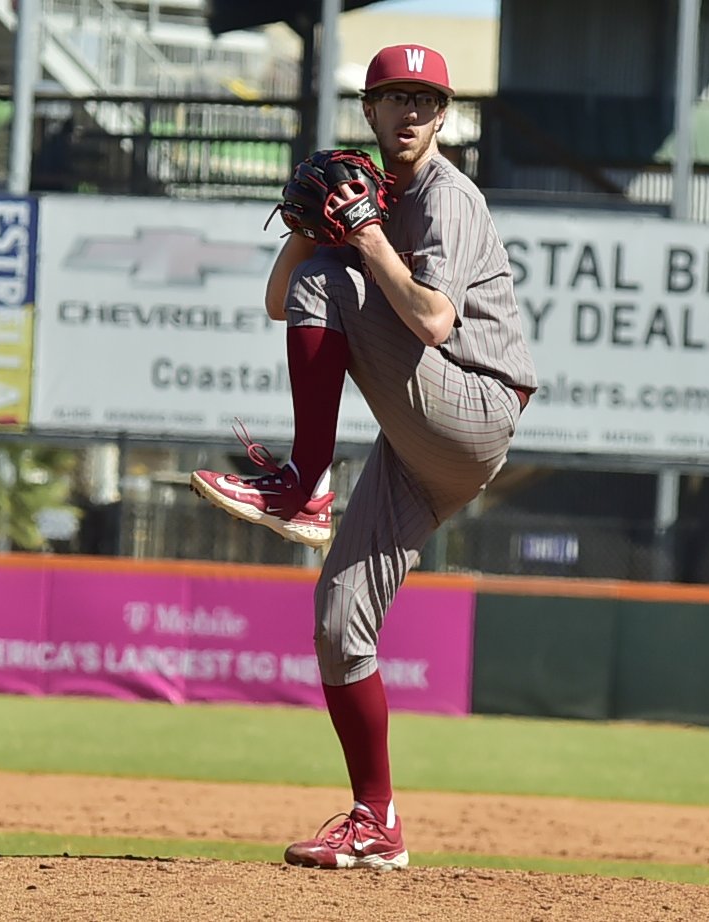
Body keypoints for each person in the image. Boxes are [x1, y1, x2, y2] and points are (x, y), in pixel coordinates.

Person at [191, 43, 537, 870]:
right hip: (420, 446)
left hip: (474, 405)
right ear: (372, 112)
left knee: (334, 285)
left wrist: (366, 239)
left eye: (426, 99)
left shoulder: (447, 197)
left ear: (444, 113)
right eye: (395, 98)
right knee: (340, 623)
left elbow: (432, 323)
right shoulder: (374, 189)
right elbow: (281, 300)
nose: (411, 113)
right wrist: (312, 229)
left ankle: (304, 486)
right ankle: (376, 823)